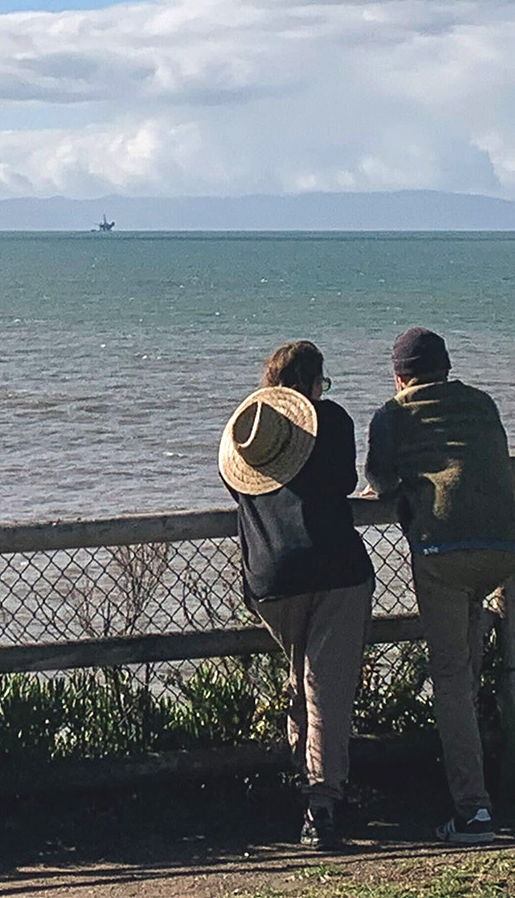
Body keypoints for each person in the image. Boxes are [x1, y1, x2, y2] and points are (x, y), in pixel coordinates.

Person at [364, 327, 515, 846]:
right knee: (469, 659)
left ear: (399, 376)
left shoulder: (394, 414)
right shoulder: (482, 404)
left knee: (451, 678)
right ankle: (496, 764)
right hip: (504, 546)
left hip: (443, 550)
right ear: (447, 367)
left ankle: (473, 809)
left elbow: (381, 481)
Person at [219, 340, 373, 851]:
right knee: (324, 685)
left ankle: (300, 781)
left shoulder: (247, 439)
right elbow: (346, 479)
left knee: (301, 674)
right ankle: (322, 805)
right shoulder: (332, 422)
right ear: (311, 385)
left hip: (269, 579)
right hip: (335, 567)